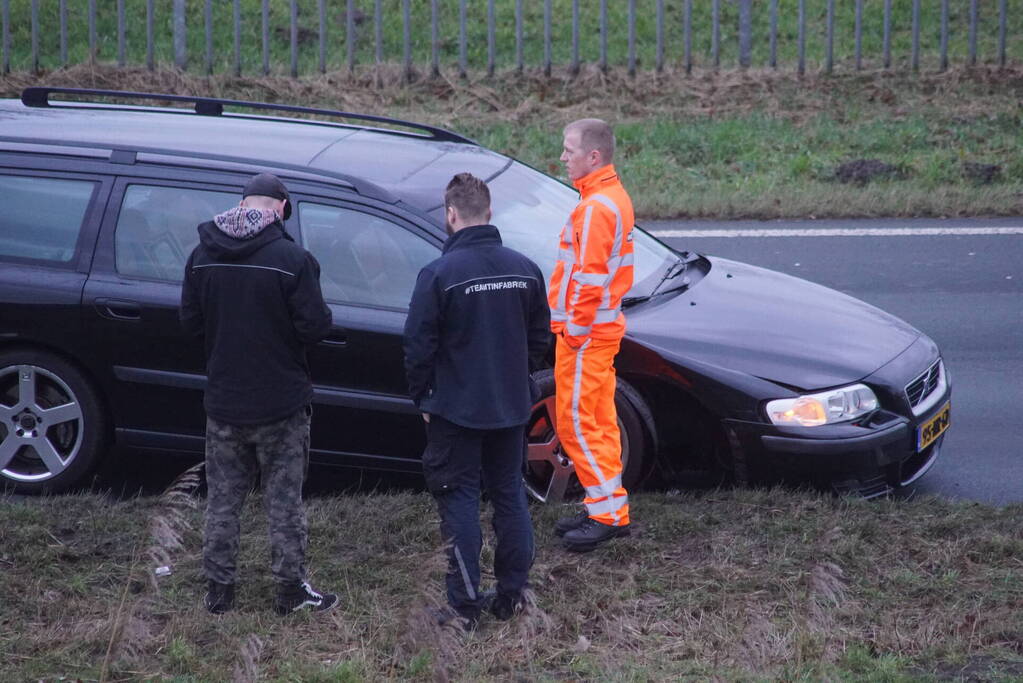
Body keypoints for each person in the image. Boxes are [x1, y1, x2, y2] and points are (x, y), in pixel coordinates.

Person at [180, 173, 338, 616]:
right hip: (282, 406)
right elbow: (316, 327)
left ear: (243, 202)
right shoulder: (293, 259)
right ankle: (289, 591)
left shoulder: (200, 256)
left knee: (223, 498)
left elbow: (190, 325)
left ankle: (218, 591)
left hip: (224, 403)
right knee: (283, 500)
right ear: (282, 208)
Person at [403, 172, 550, 627]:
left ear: (450, 215)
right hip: (510, 406)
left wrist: (424, 398)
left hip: (455, 410)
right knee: (509, 494)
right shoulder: (525, 269)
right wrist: (513, 377)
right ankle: (511, 595)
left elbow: (417, 347)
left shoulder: (439, 274)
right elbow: (540, 339)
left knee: (460, 497)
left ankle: (463, 606)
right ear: (489, 212)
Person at [548, 118, 636, 552]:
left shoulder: (597, 207)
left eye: (568, 150)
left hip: (586, 336)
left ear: (593, 156)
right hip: (599, 332)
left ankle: (606, 515)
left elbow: (588, 278)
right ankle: (604, 504)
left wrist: (576, 332)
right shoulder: (606, 198)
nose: (563, 158)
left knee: (578, 424)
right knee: (598, 421)